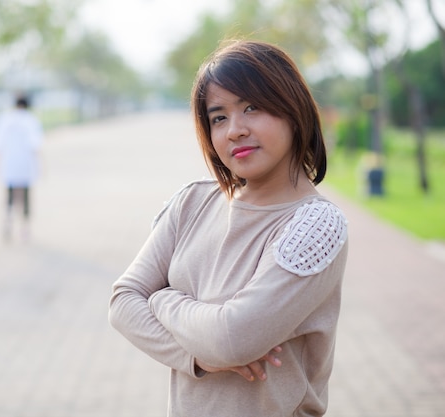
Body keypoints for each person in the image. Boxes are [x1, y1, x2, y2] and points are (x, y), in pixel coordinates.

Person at [109, 39, 349, 417]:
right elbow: (123, 302)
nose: (235, 130)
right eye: (219, 117)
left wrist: (162, 298)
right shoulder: (192, 203)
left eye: (252, 108)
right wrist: (201, 358)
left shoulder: (316, 225)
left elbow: (233, 338)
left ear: (292, 109)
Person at [0, 93, 43, 242]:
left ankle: (8, 222)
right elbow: (36, 145)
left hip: (8, 164)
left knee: (10, 196)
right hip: (25, 165)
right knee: (25, 197)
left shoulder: (4, 119)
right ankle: (25, 229)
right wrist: (40, 166)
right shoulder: (31, 120)